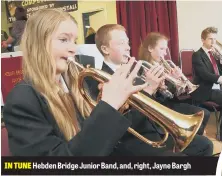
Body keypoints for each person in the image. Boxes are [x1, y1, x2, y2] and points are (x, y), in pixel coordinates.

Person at [3, 9, 148, 156]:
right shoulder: (22, 99)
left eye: (74, 41)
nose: (73, 49)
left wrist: (119, 107)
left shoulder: (80, 85)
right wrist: (108, 107)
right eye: (64, 40)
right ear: (38, 43)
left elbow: (109, 143)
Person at [86, 24, 214, 156]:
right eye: (121, 43)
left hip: (155, 128)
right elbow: (119, 126)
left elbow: (159, 103)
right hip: (132, 139)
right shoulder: (98, 80)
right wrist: (148, 90)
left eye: (128, 43)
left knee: (205, 145)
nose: (128, 47)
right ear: (105, 49)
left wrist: (160, 88)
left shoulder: (134, 70)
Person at [138, 32, 211, 136]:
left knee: (204, 114)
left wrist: (177, 81)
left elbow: (174, 94)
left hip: (170, 102)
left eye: (165, 49)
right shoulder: (144, 68)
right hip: (161, 107)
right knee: (203, 117)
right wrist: (165, 85)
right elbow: (154, 99)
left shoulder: (162, 65)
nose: (165, 53)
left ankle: (195, 136)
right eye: (162, 49)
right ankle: (195, 137)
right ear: (150, 48)